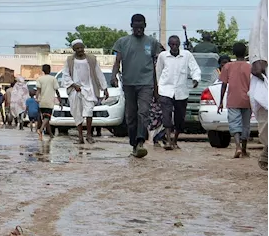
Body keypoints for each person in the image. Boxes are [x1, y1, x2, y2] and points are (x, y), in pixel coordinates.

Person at [111, 14, 163, 158]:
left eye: (141, 27)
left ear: (145, 26)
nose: (138, 29)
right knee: (131, 116)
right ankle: (134, 143)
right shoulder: (123, 42)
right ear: (131, 26)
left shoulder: (152, 43)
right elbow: (117, 62)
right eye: (136, 27)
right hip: (128, 84)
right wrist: (113, 75)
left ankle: (141, 141)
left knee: (143, 112)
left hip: (146, 84)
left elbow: (155, 66)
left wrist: (156, 87)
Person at [155, 35, 202, 151]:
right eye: (172, 44)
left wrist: (196, 79)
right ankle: (169, 141)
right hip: (166, 90)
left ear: (179, 44)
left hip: (181, 91)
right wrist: (158, 88)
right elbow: (158, 72)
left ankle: (175, 140)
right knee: (167, 116)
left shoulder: (186, 55)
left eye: (176, 44)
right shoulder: (163, 56)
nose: (174, 46)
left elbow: (194, 68)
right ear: (169, 45)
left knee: (179, 118)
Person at [58, 39, 107, 144]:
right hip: (75, 90)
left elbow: (99, 74)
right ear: (73, 49)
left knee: (89, 111)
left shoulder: (92, 59)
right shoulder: (69, 60)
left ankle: (89, 135)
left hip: (89, 89)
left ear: (84, 47)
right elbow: (65, 74)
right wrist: (73, 85)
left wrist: (105, 88)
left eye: (81, 47)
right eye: (77, 48)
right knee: (77, 113)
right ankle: (80, 137)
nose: (80, 50)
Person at [218, 44, 253, 158]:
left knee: (234, 123)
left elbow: (223, 85)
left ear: (233, 52)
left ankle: (237, 146)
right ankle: (244, 149)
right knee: (245, 125)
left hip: (233, 99)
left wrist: (220, 102)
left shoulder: (227, 66)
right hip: (247, 99)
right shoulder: (250, 67)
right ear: (246, 52)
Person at [250, 0, 269, 171]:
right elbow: (259, 29)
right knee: (266, 115)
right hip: (267, 66)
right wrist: (257, 58)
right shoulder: (267, 0)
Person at [35, 64, 59, 139]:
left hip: (42, 101)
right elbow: (56, 90)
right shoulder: (53, 79)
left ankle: (51, 134)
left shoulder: (40, 79)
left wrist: (36, 98)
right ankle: (41, 130)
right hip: (49, 101)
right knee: (47, 118)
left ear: (43, 70)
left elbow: (38, 91)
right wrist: (60, 99)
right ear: (50, 70)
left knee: (46, 118)